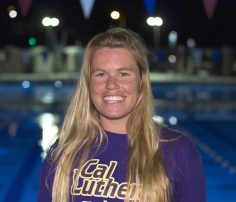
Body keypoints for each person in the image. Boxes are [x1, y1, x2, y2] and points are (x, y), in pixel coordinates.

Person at [37, 27, 206, 202]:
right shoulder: (63, 153)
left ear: (141, 81)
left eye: (123, 74)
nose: (111, 84)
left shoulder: (178, 151)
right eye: (101, 74)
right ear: (88, 83)